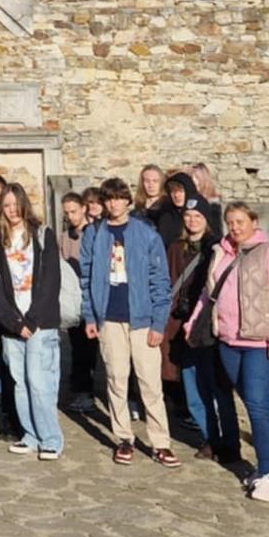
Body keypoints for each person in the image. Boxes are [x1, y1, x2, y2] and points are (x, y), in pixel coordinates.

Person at [187, 203, 269, 501]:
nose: (235, 228)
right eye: (230, 223)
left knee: (259, 406)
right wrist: (195, 320)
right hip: (229, 341)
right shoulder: (221, 253)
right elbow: (209, 294)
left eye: (240, 222)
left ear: (253, 222)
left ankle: (266, 472)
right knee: (249, 403)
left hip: (261, 342)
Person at [80, 178, 179, 468]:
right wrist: (90, 315)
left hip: (142, 319)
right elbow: (86, 279)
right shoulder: (94, 234)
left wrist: (158, 323)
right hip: (109, 318)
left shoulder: (146, 234)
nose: (113, 204)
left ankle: (161, 442)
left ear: (126, 201)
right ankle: (124, 437)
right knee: (116, 379)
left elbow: (160, 281)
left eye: (118, 198)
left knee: (150, 382)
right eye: (108, 199)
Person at [0, 184, 82, 462]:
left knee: (40, 382)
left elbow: (51, 280)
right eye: (7, 205)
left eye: (16, 204)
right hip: (12, 324)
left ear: (24, 205)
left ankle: (51, 438)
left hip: (40, 321)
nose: (12, 210)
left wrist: (33, 319)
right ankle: (30, 435)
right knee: (20, 383)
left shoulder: (43, 235)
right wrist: (14, 322)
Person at [166, 194, 239, 464]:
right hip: (183, 326)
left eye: (198, 216)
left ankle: (229, 443)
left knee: (217, 388)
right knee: (192, 385)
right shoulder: (176, 247)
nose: (192, 220)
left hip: (209, 326)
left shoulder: (217, 248)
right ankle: (210, 438)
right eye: (188, 215)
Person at [58, 193, 99, 415]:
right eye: (67, 212)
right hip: (73, 297)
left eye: (74, 211)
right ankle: (81, 389)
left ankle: (90, 390)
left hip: (92, 294)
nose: (71, 216)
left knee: (91, 347)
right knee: (78, 346)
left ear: (84, 209)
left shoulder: (94, 233)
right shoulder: (65, 237)